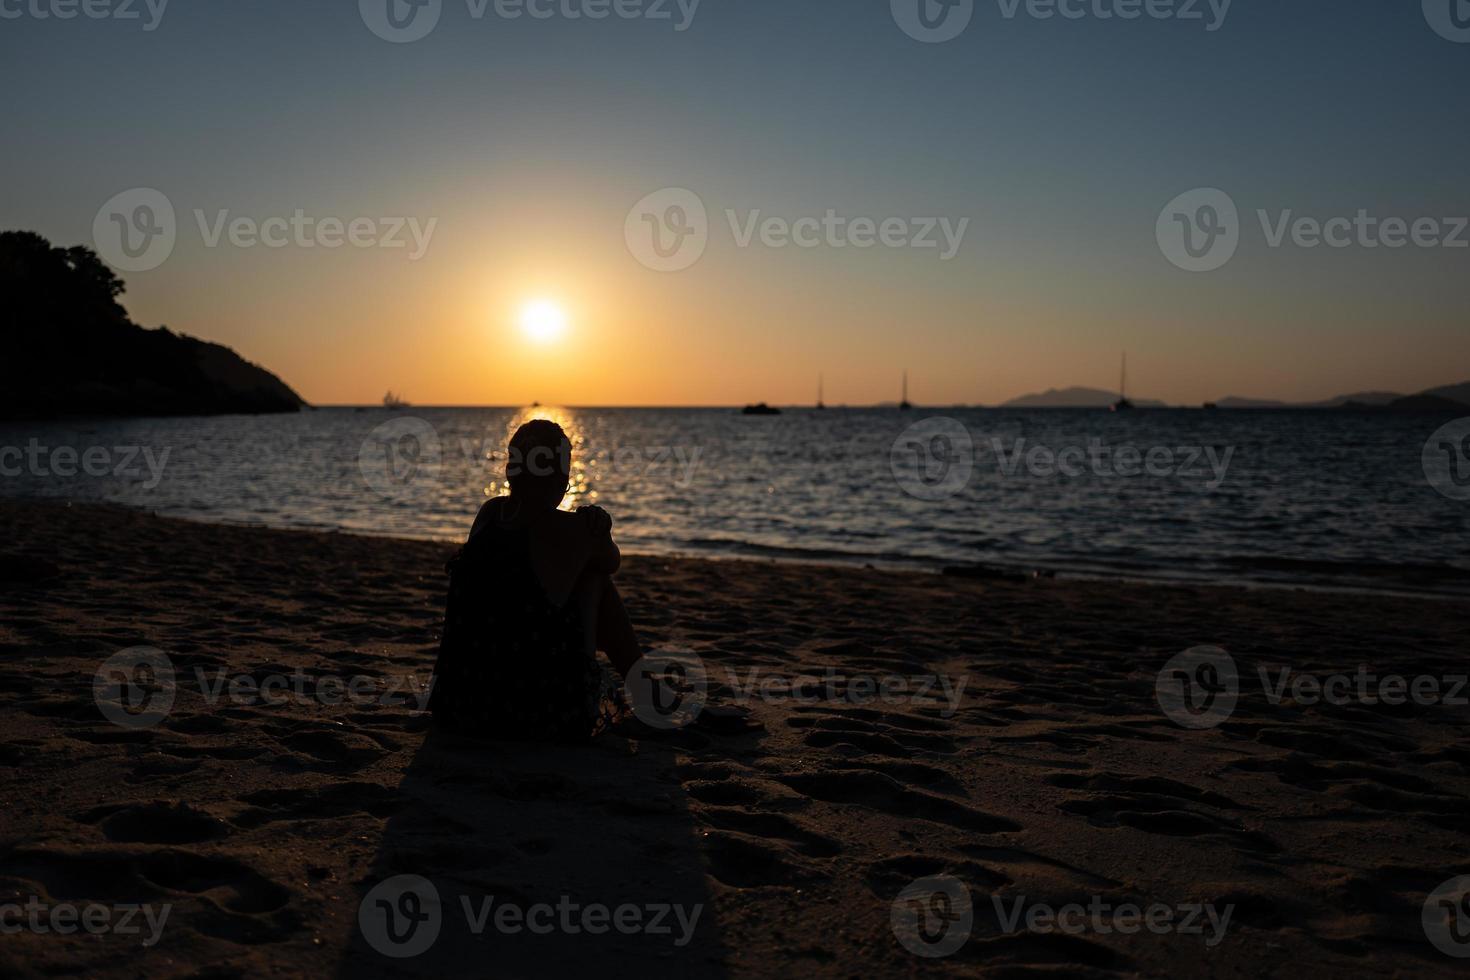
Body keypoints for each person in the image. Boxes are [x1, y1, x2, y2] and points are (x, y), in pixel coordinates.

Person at [428, 419, 641, 741]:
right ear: (562, 476)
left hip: (460, 707)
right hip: (537, 715)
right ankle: (649, 694)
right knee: (595, 579)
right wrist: (601, 529)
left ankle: (649, 693)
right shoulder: (577, 530)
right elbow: (612, 562)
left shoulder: (489, 514)